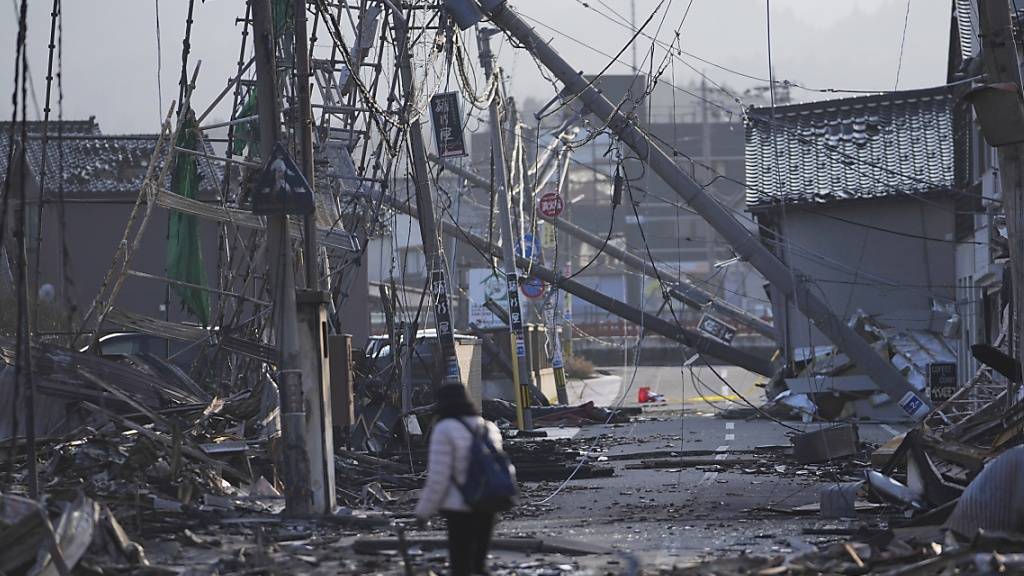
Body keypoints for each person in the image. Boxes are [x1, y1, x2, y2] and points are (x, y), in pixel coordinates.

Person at [415, 384, 508, 576]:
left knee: (461, 567)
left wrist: (423, 511)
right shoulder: (487, 426)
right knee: (479, 566)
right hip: (488, 503)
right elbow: (501, 465)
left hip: (459, 507)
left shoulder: (444, 429)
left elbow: (438, 478)